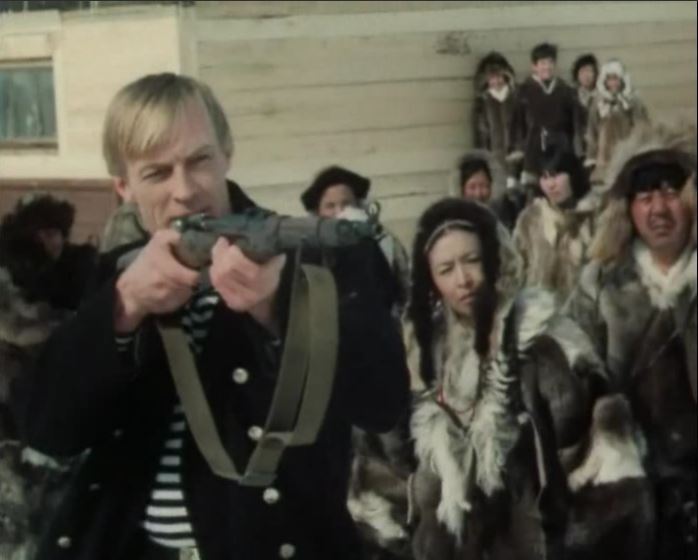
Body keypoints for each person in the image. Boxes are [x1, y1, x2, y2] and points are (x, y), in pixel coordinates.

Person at [11, 73, 410, 560]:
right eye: (157, 173)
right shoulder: (120, 272)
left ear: (227, 153)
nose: (185, 191)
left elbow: (382, 401)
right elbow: (49, 430)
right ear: (124, 186)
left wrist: (280, 306)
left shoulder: (314, 257)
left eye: (199, 160)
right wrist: (124, 306)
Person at [405, 198, 602, 560]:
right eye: (446, 269)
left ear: (494, 260)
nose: (463, 280)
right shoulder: (425, 352)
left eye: (472, 260)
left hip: (535, 529)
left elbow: (577, 439)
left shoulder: (538, 336)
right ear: (431, 281)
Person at [564, 122, 696, 559]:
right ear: (628, 209)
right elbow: (572, 382)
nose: (659, 208)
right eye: (645, 196)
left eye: (671, 192)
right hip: (632, 501)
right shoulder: (600, 286)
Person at [301, 165, 411, 315]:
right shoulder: (309, 249)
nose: (339, 212)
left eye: (346, 204)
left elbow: (405, 288)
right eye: (330, 206)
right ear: (318, 212)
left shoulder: (384, 241)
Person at [513, 146, 597, 302]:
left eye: (556, 175)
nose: (551, 184)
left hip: (583, 310)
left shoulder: (592, 218)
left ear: (572, 175)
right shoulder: (529, 220)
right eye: (545, 177)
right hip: (539, 310)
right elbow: (516, 271)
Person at [0, 194, 97, 311]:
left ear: (63, 235)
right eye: (37, 238)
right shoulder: (19, 265)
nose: (44, 243)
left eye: (50, 235)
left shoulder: (81, 263)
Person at [511, 43, 582, 188]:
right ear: (534, 66)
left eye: (550, 62)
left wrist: (574, 149)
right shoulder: (524, 92)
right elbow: (517, 124)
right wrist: (518, 148)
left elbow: (574, 124)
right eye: (543, 63)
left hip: (560, 152)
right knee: (533, 191)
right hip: (533, 153)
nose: (547, 67)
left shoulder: (565, 91)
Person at [585, 59, 649, 185]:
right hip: (605, 151)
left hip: (627, 147)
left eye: (616, 79)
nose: (613, 83)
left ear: (622, 80)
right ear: (604, 81)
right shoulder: (598, 102)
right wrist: (591, 156)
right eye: (609, 79)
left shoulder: (631, 100)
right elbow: (592, 130)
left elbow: (641, 126)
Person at [472, 52, 519, 185]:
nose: (497, 82)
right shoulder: (482, 104)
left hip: (518, 159)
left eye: (499, 77)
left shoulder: (518, 98)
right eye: (492, 78)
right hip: (494, 161)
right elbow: (480, 136)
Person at [449, 151, 526, 231]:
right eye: (472, 187)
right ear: (462, 189)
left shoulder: (507, 216)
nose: (478, 194)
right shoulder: (453, 222)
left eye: (483, 186)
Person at [571, 53, 599, 155]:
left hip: (599, 147)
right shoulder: (572, 96)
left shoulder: (602, 96)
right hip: (578, 149)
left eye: (590, 71)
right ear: (577, 75)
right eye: (582, 71)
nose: (586, 75)